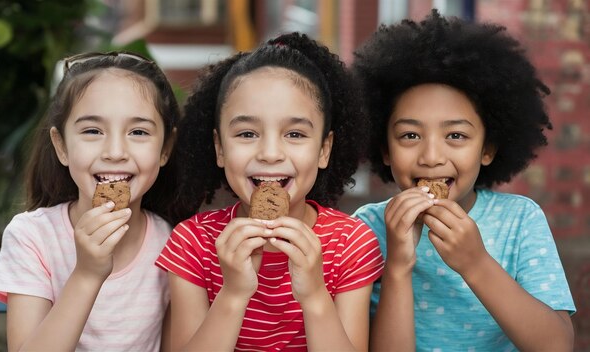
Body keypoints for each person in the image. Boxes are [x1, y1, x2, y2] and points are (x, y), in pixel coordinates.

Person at [351, 9, 576, 351]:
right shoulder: (365, 230)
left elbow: (556, 345)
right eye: (410, 136)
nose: (431, 156)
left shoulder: (519, 220)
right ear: (384, 150)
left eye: (455, 135)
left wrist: (475, 263)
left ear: (487, 149)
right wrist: (398, 266)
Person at [156, 32, 384, 351]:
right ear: (219, 148)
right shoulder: (194, 244)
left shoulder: (350, 244)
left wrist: (315, 296)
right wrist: (233, 294)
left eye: (294, 133)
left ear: (324, 149)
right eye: (248, 133)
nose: (270, 153)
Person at [0, 51, 180, 351]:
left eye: (138, 131)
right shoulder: (32, 237)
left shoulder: (174, 242)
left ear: (165, 148)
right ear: (61, 146)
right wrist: (87, 274)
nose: (115, 151)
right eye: (93, 131)